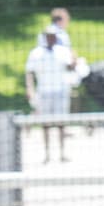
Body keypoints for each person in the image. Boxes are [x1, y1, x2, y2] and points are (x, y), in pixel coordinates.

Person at [24, 26, 78, 161]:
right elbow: (29, 72)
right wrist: (29, 89)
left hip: (60, 91)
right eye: (49, 36)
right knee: (45, 124)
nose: (51, 38)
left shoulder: (62, 51)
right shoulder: (36, 53)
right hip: (44, 92)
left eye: (54, 36)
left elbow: (70, 67)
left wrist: (74, 59)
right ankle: (47, 154)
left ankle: (62, 153)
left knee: (61, 123)